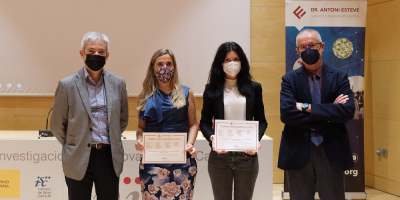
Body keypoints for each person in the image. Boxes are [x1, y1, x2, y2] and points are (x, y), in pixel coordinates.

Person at [50, 32, 129, 200]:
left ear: (107, 55)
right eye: (91, 51)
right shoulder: (67, 85)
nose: (96, 55)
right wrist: (75, 143)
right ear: (82, 53)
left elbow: (122, 120)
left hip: (109, 157)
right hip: (78, 157)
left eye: (101, 52)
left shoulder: (118, 83)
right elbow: (57, 124)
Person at [278, 29, 355, 200]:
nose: (308, 50)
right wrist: (329, 115)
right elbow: (287, 114)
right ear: (297, 51)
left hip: (331, 150)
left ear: (322, 46)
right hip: (298, 150)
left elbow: (348, 111)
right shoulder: (288, 80)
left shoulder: (339, 77)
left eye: (312, 45)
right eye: (303, 47)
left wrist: (306, 107)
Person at [200, 42, 268, 200]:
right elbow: (204, 122)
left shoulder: (254, 88)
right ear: (220, 63)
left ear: (242, 61)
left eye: (236, 59)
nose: (232, 63)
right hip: (219, 156)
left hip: (247, 157)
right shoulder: (211, 89)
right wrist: (213, 138)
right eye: (227, 60)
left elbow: (262, 121)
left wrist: (255, 139)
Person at [134, 48, 198, 200]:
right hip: (152, 162)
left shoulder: (186, 92)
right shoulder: (144, 95)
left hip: (182, 160)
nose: (164, 68)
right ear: (153, 68)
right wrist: (140, 140)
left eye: (168, 64)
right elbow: (141, 128)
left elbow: (193, 124)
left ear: (174, 67)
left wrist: (190, 143)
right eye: (160, 64)